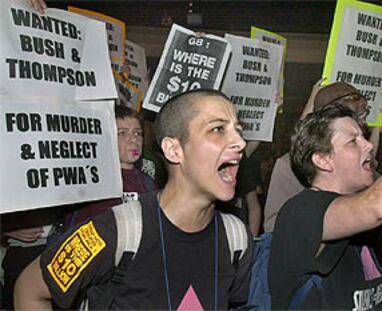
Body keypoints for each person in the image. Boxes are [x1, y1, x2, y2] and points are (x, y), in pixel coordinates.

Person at [14, 89, 253, 310]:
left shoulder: (237, 238)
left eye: (238, 131)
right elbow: (29, 290)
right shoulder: (114, 232)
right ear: (173, 150)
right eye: (218, 129)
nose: (240, 143)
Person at [268, 103, 382, 310]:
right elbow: (379, 205)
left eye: (363, 137)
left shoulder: (358, 221)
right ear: (323, 160)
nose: (369, 145)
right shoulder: (302, 210)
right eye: (353, 141)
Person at [263, 79, 382, 232]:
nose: (369, 145)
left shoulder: (364, 171)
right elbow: (273, 226)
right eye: (352, 140)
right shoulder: (289, 166)